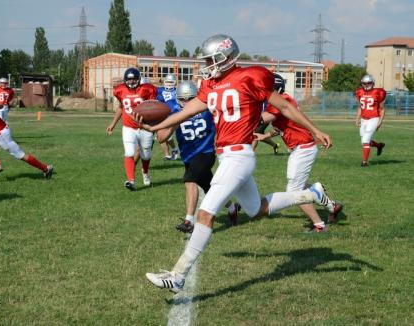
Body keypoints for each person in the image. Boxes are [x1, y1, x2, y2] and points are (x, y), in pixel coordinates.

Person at [135, 34, 333, 293]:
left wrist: (315, 130)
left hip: (238, 155)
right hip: (227, 156)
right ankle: (311, 193)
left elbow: (284, 107)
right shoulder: (211, 85)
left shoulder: (251, 76)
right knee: (257, 209)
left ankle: (178, 275)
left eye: (210, 59)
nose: (206, 64)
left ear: (225, 58)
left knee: (205, 214)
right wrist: (157, 126)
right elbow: (187, 111)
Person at [255, 73, 343, 227]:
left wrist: (242, 114)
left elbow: (263, 119)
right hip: (301, 147)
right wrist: (265, 136)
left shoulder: (282, 101)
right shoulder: (284, 101)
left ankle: (319, 224)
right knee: (299, 186)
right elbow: (280, 127)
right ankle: (330, 204)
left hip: (303, 147)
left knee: (294, 191)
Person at [156, 80, 239, 233]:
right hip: (188, 156)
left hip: (206, 152)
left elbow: (225, 125)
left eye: (190, 99)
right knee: (210, 188)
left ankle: (189, 221)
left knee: (189, 180)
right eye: (183, 99)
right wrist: (177, 121)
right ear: (177, 98)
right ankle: (232, 207)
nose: (186, 102)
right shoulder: (174, 110)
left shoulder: (207, 108)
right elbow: (161, 137)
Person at [0, 87, 53, 178]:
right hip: (1, 128)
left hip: (0, 133)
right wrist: (1, 106)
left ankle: (46, 168)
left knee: (20, 155)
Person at [106, 67, 157, 190]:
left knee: (146, 155)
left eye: (134, 79)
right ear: (124, 80)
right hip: (128, 127)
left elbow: (154, 107)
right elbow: (121, 107)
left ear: (139, 79)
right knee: (129, 152)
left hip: (145, 126)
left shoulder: (147, 89)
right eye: (129, 80)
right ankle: (131, 180)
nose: (132, 82)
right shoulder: (120, 90)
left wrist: (155, 124)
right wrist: (113, 124)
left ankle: (145, 172)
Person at [355, 74, 386, 167]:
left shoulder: (378, 92)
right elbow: (360, 107)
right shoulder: (359, 92)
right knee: (364, 142)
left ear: (372, 83)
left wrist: (380, 122)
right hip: (364, 119)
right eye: (364, 83)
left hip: (374, 118)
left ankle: (365, 162)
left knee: (365, 140)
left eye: (368, 83)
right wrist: (357, 119)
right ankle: (379, 146)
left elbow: (382, 109)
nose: (366, 85)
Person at [156, 74, 180, 160]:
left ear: (175, 83)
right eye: (167, 82)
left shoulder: (178, 91)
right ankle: (168, 154)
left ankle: (174, 149)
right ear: (164, 82)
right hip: (163, 115)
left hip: (175, 115)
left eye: (171, 82)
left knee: (168, 136)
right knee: (160, 136)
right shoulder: (159, 90)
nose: (169, 84)